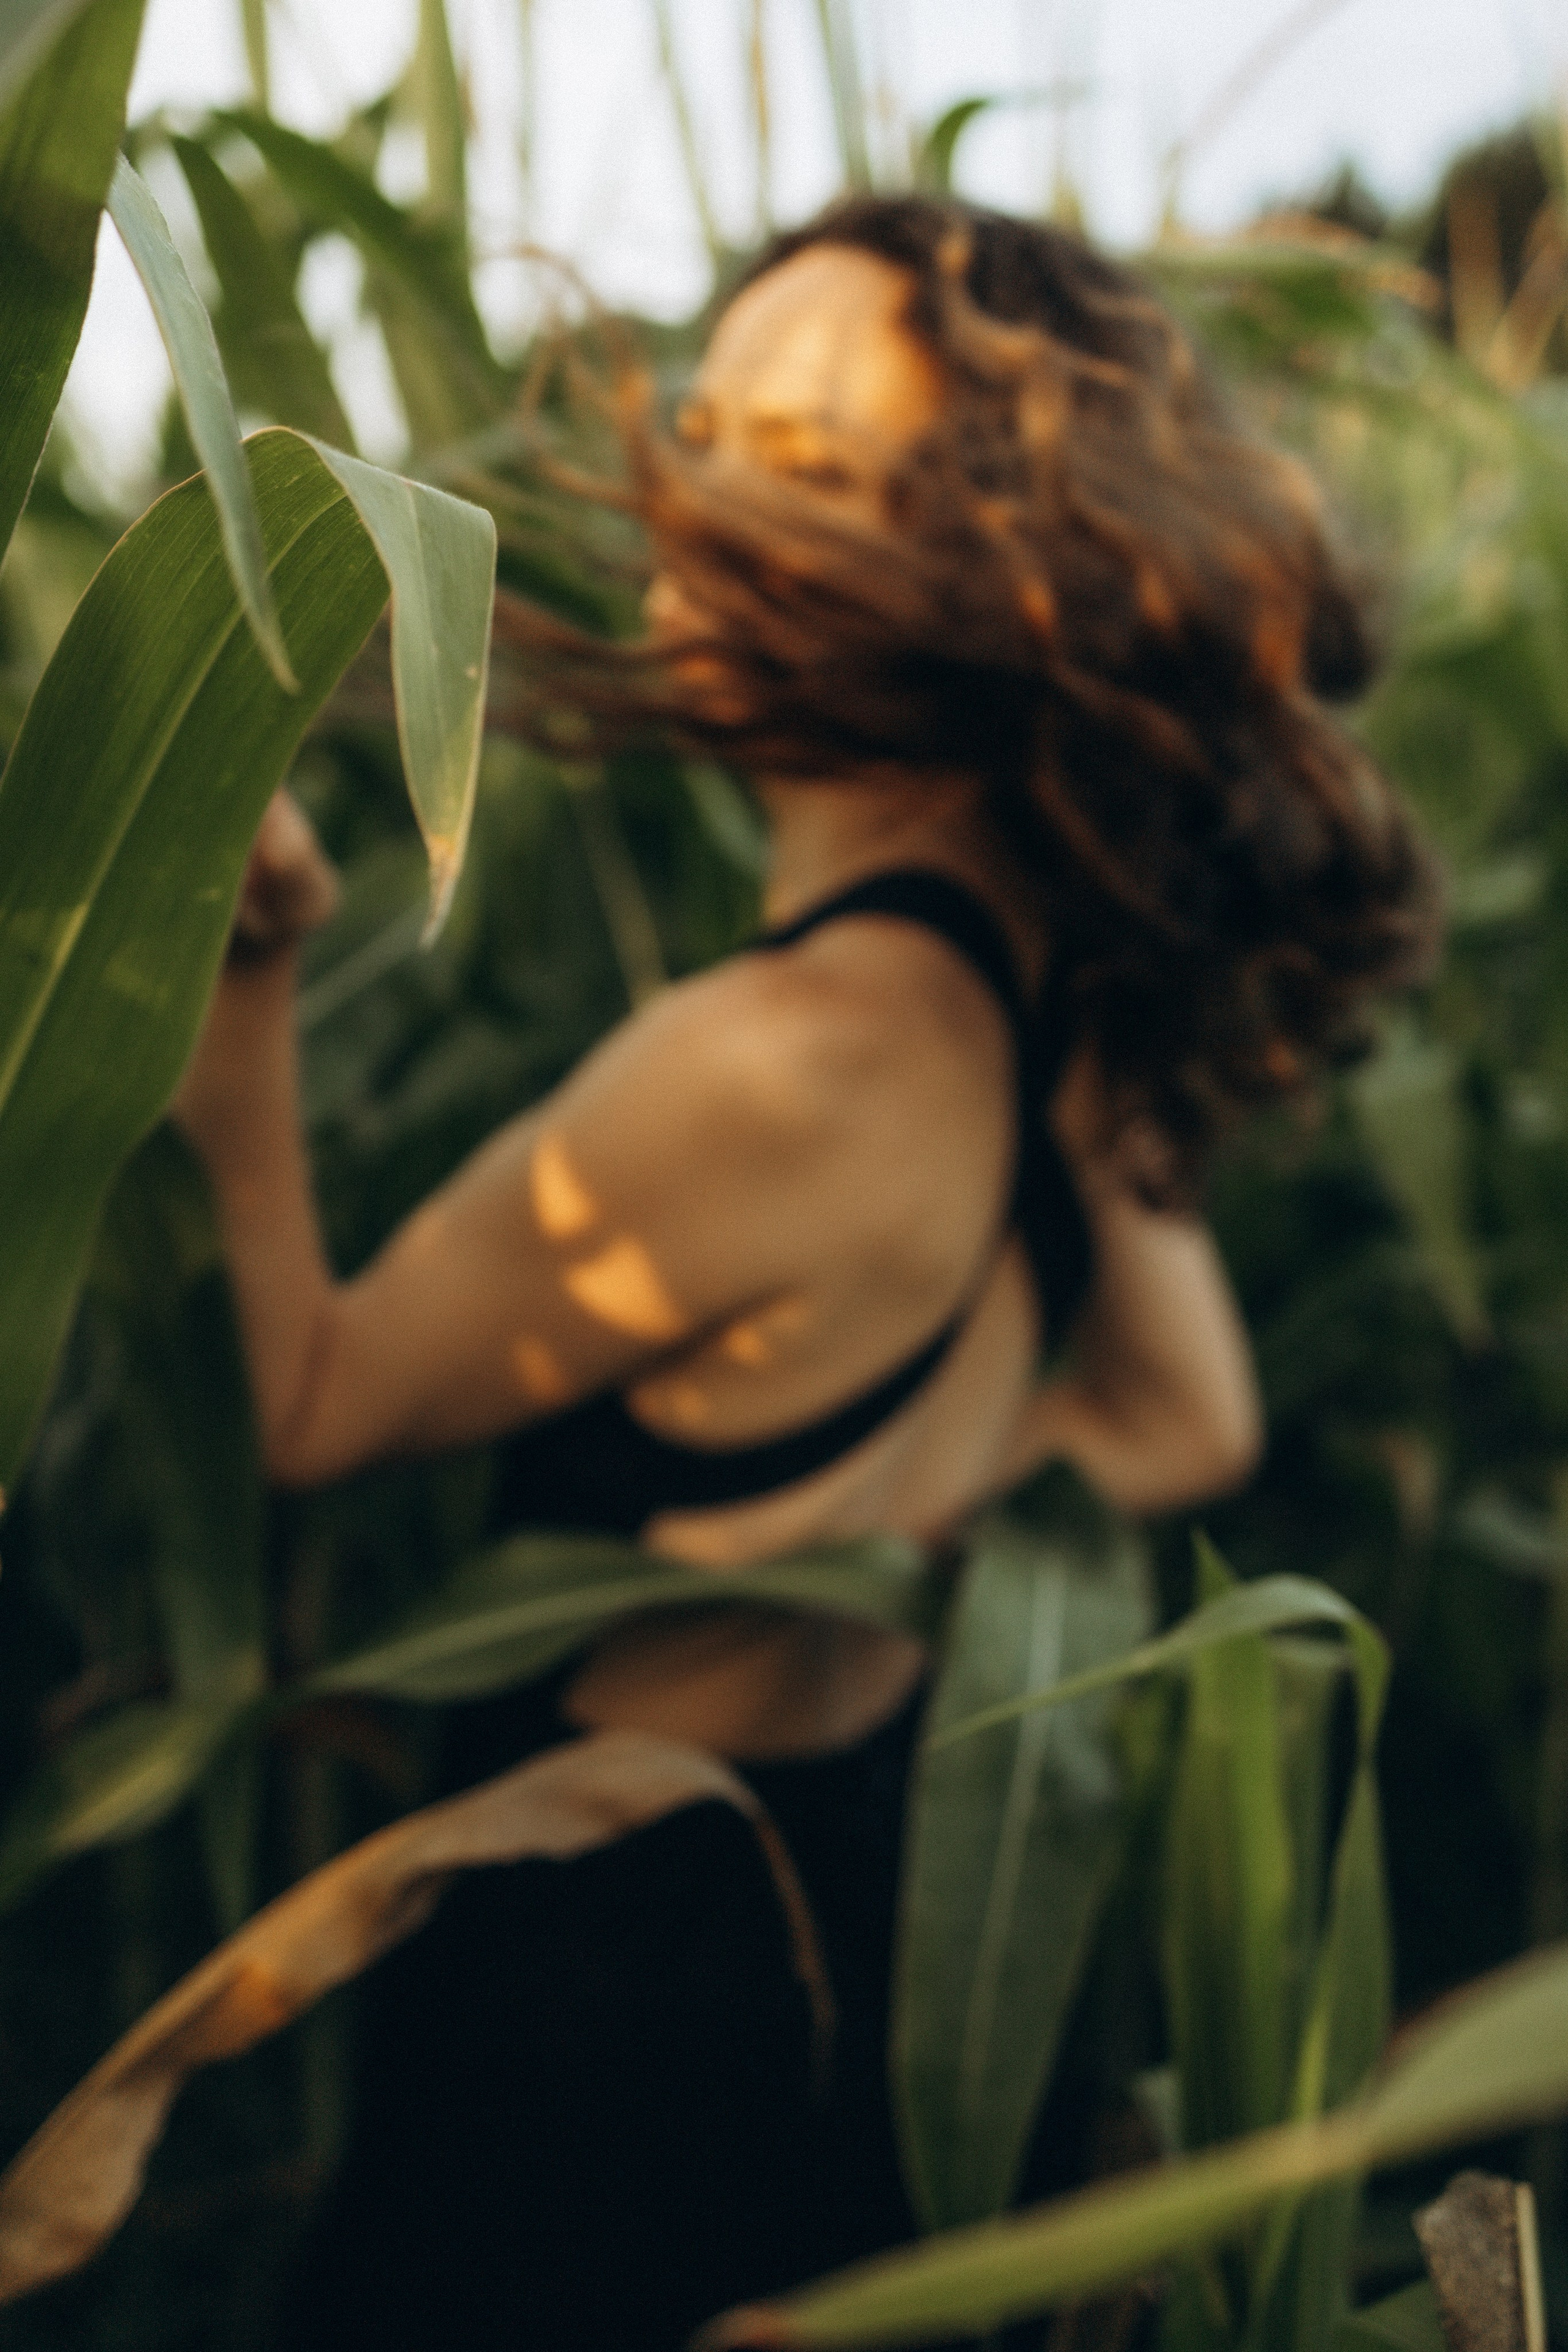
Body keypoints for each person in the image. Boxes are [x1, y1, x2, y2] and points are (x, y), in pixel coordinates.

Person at [174, 197, 1439, 2351]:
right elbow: (1184, 1412)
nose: (700, 487)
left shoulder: (762, 1071)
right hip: (881, 1908)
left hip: (602, 1987)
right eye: (711, 420)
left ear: (983, 558)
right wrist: (894, 1500)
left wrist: (237, 1008)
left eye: (804, 457)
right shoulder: (1060, 981)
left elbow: (311, 1404)